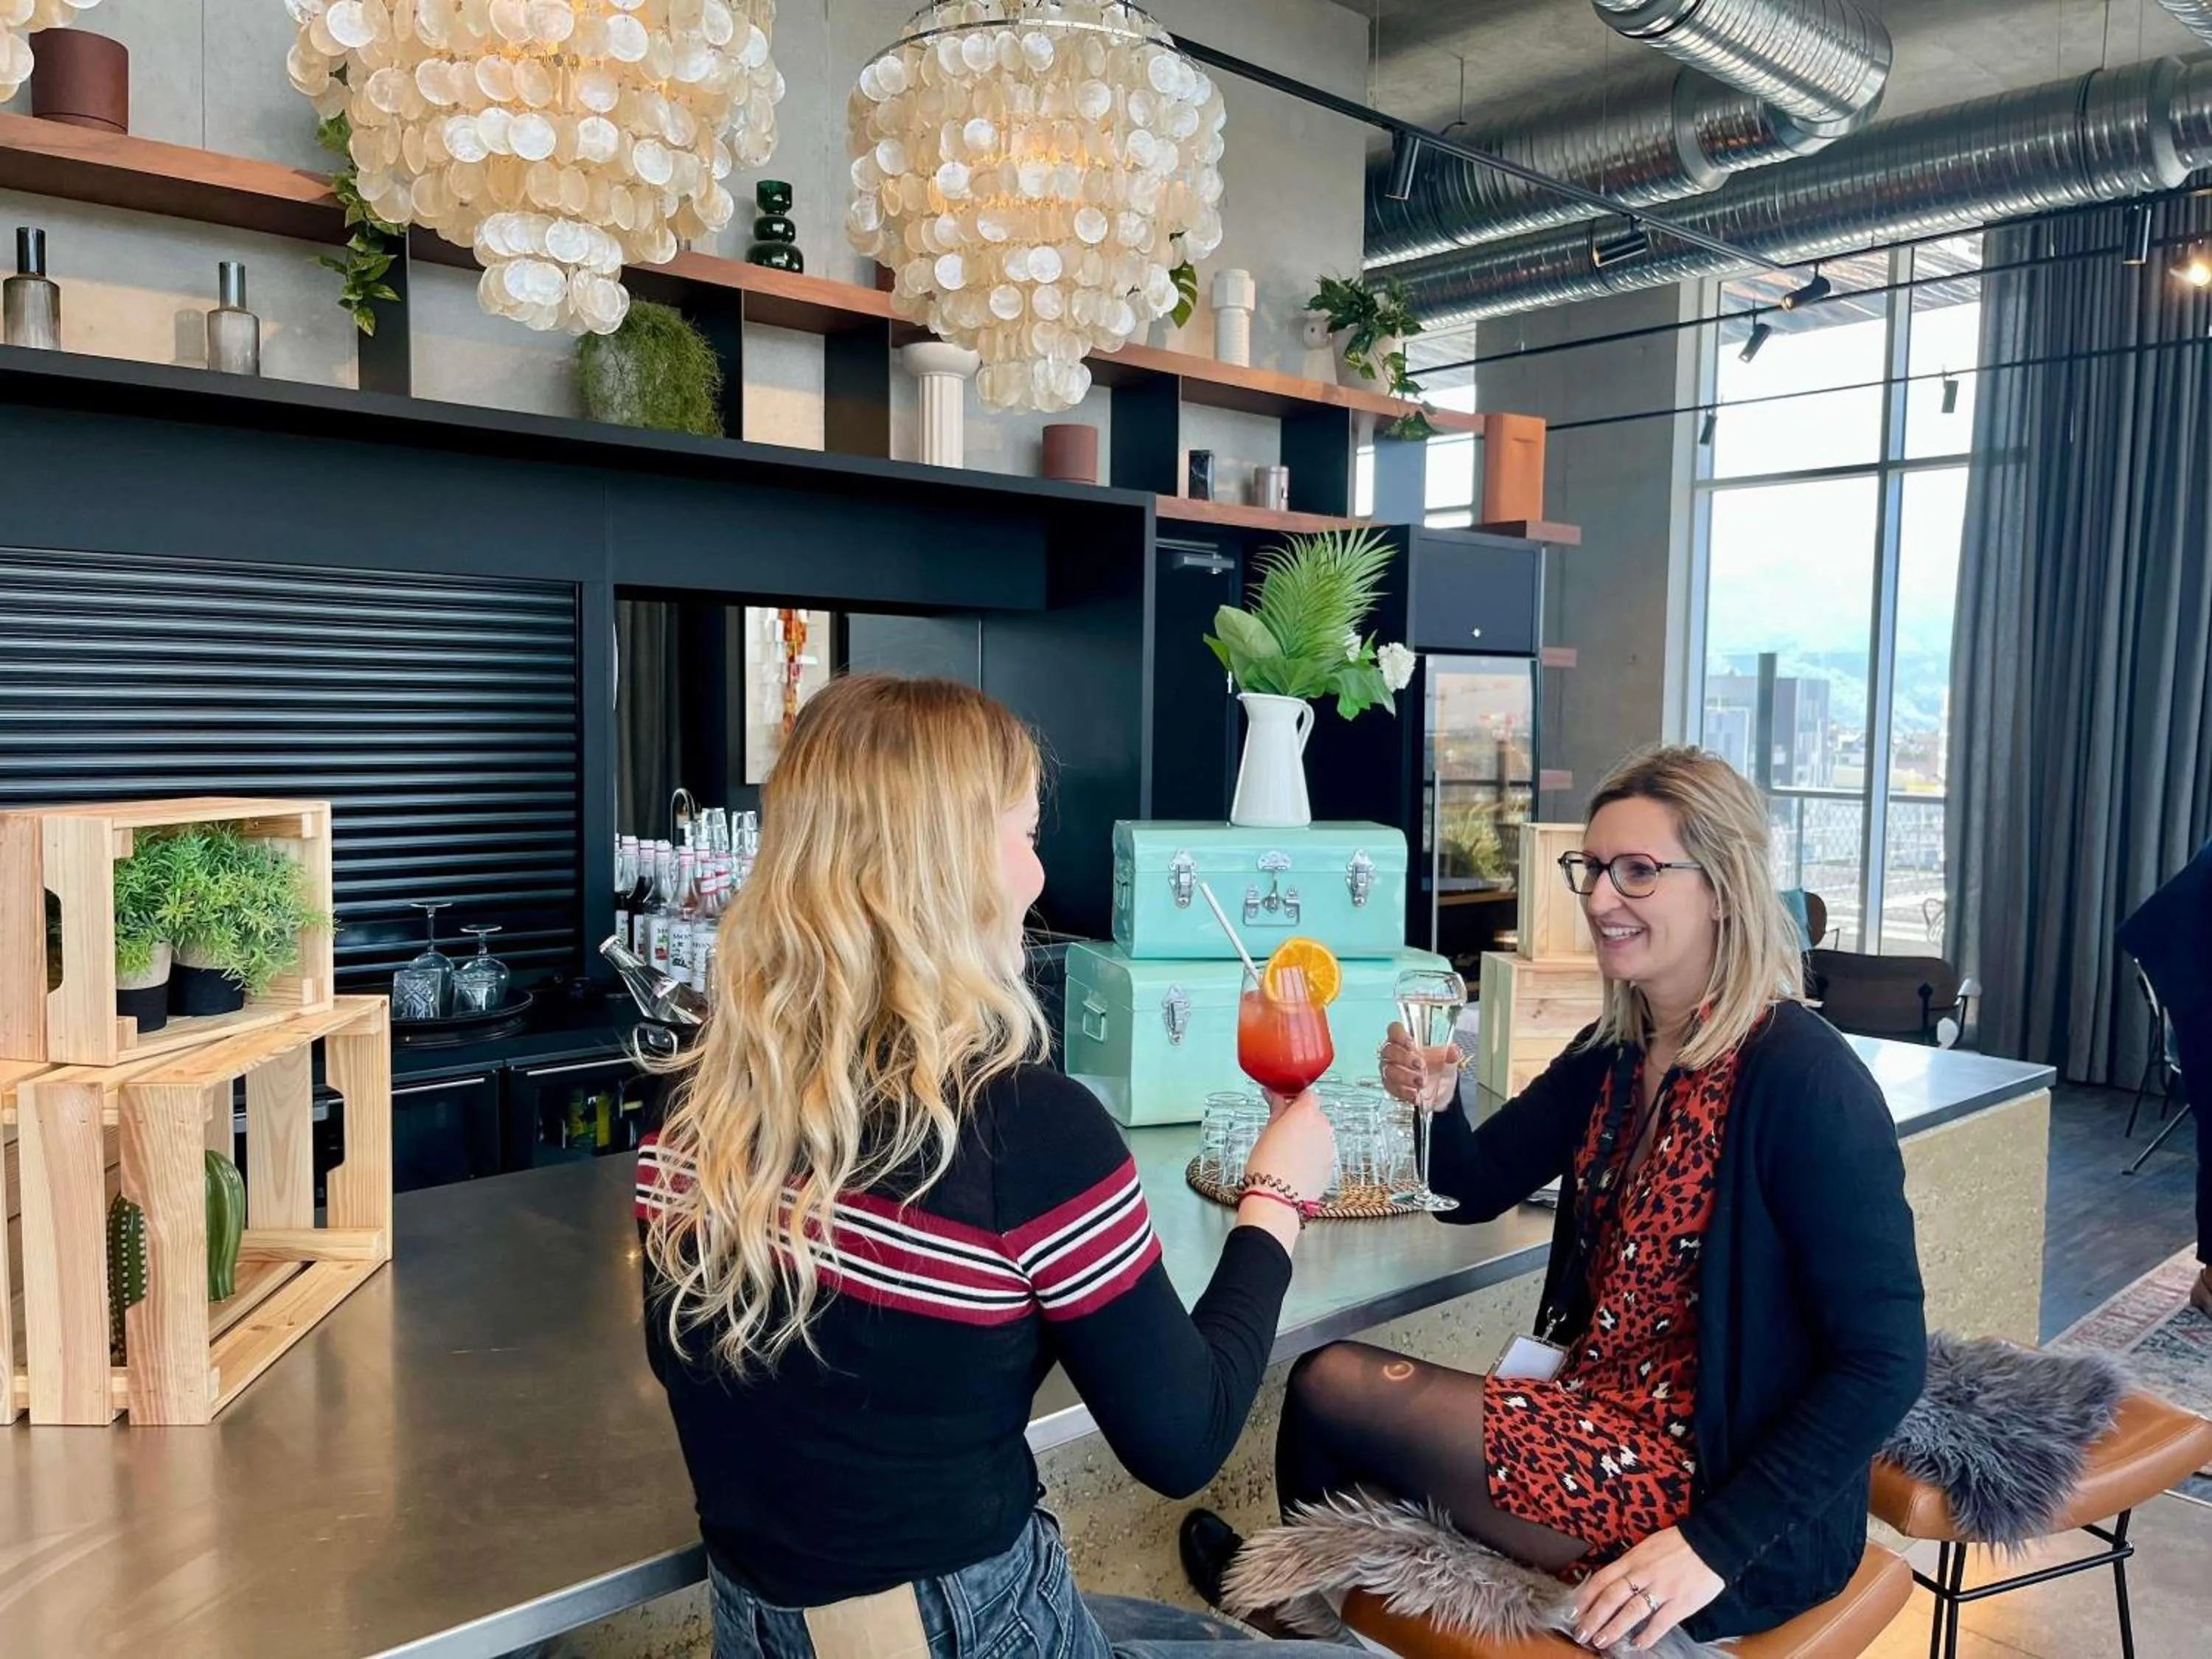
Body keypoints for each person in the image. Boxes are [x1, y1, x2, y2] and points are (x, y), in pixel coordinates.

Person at [636, 675, 1347, 1659]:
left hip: (762, 1629)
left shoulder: (695, 1109)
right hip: (966, 1631)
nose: (1038, 877)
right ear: (946, 867)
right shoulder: (1028, 1129)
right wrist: (1276, 1196)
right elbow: (1186, 1438)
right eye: (1025, 836)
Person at [1182, 746, 1927, 1650]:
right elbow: (1473, 1189)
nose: (1602, 898)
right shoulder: (1614, 1051)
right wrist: (1440, 1105)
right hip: (1598, 1412)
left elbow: (1884, 1363)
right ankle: (1309, 1627)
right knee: (1326, 1394)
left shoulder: (1807, 1082)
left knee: (1331, 1389)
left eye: (1640, 872)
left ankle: (1295, 1622)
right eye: (1594, 868)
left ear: (1724, 889)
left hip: (1716, 1490)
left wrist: (1707, 1547)